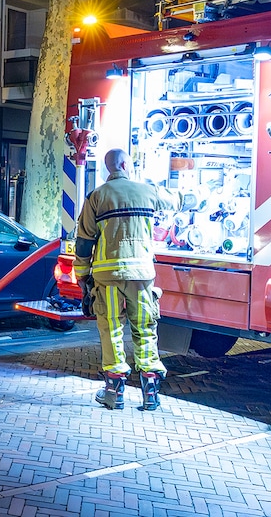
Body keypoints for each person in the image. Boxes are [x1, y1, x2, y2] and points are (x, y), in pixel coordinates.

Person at [73, 148, 179, 411]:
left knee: (111, 330)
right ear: (125, 164)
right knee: (145, 329)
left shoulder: (96, 196)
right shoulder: (146, 191)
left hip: (107, 277)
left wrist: (82, 277)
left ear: (110, 167)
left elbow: (84, 242)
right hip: (142, 277)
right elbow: (176, 202)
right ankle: (151, 392)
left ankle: (114, 393)